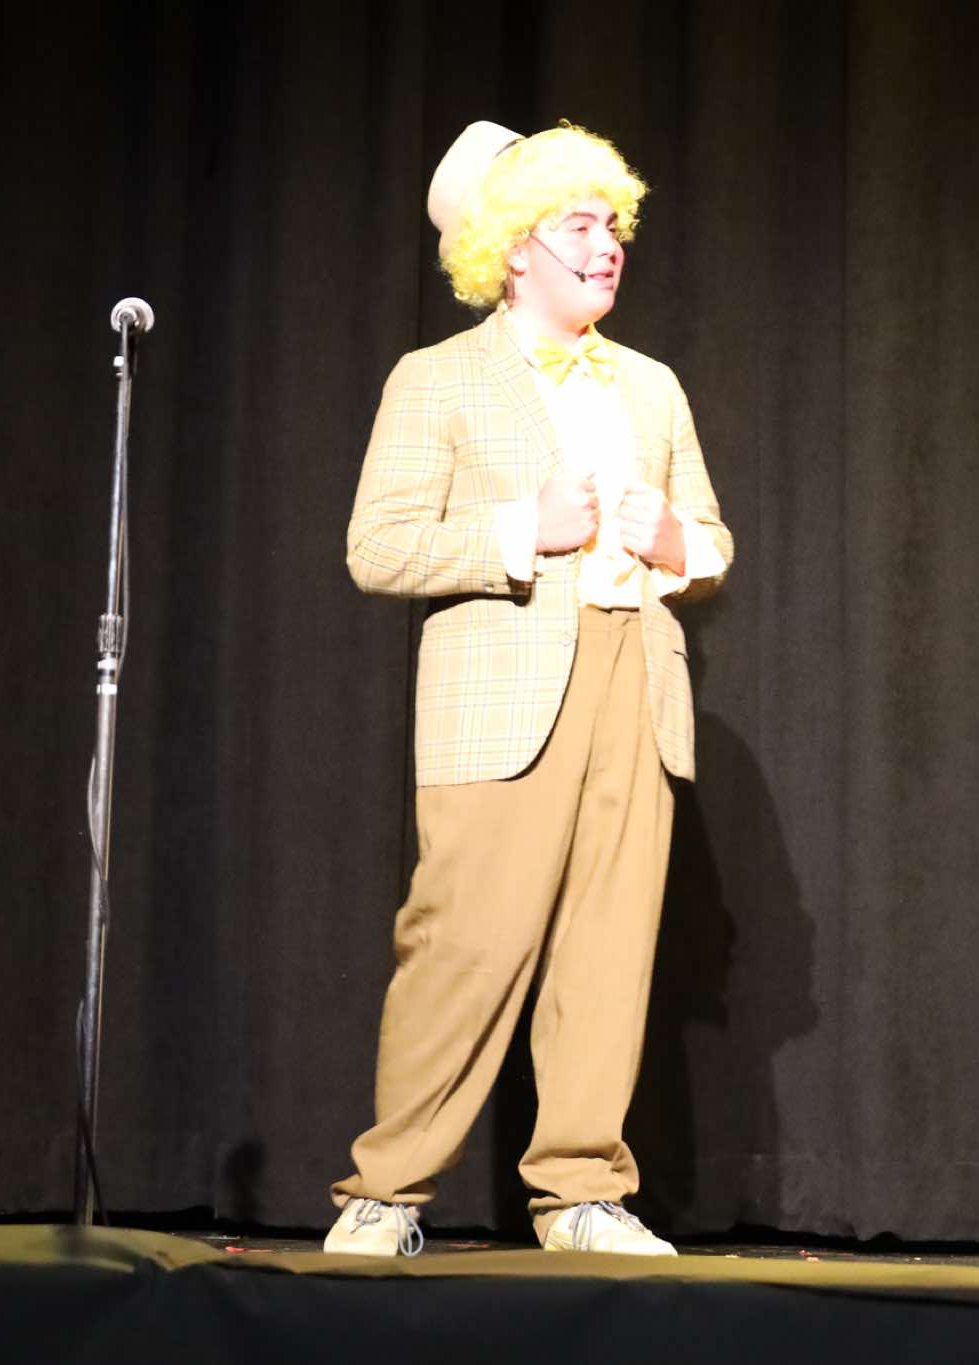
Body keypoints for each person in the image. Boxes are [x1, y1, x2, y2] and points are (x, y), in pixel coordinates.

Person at [323, 121, 733, 1258]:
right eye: (578, 226)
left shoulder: (651, 386)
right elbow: (376, 547)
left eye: (613, 224)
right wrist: (524, 530)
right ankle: (386, 1190)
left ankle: (583, 1193)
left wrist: (678, 547)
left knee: (609, 947)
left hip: (633, 681)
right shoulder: (438, 378)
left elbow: (711, 539)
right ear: (511, 251)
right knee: (464, 942)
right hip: (502, 696)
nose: (607, 246)